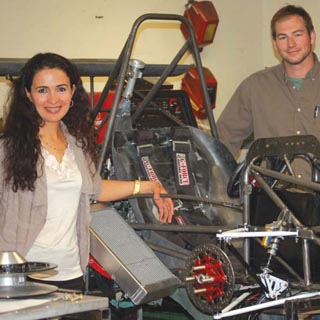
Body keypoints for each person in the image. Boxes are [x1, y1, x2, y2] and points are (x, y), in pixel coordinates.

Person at [0, 52, 174, 291]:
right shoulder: (8, 149)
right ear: (28, 94)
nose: (53, 99)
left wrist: (148, 186)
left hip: (71, 271)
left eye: (60, 89)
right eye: (42, 90)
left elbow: (96, 188)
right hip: (23, 276)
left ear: (72, 91)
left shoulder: (76, 144)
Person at [217, 4, 320, 180]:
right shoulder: (254, 87)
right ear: (274, 44)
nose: (291, 44)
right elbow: (221, 143)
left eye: (297, 34)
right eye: (282, 37)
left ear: (312, 36)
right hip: (272, 199)